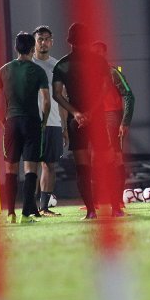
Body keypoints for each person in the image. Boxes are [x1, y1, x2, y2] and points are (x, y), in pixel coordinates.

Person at [52, 23, 124, 219]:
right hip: (97, 118)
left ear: (69, 41)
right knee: (108, 163)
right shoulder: (98, 61)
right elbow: (104, 89)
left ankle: (91, 211)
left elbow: (57, 95)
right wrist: (91, 112)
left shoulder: (62, 65)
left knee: (82, 167)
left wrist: (76, 113)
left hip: (77, 122)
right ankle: (115, 209)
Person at [0, 32, 50, 223]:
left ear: (16, 48)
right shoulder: (38, 71)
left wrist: (2, 119)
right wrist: (44, 121)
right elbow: (46, 101)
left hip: (11, 122)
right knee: (31, 168)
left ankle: (11, 214)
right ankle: (26, 214)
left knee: (10, 168)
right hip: (31, 122)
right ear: (33, 49)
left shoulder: (4, 70)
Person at [91, 41, 135, 200]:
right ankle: (96, 201)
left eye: (100, 52)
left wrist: (125, 122)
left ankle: (118, 200)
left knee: (115, 157)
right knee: (94, 158)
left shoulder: (113, 72)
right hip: (93, 120)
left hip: (112, 117)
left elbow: (129, 96)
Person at [32, 25, 67, 216]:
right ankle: (29, 206)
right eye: (40, 39)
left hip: (53, 122)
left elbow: (62, 97)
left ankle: (43, 207)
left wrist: (65, 126)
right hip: (31, 122)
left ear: (52, 42)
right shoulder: (27, 64)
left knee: (49, 164)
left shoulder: (57, 66)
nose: (43, 43)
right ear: (34, 42)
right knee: (31, 165)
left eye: (47, 39)